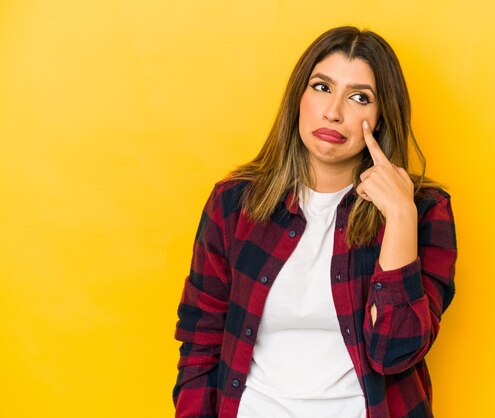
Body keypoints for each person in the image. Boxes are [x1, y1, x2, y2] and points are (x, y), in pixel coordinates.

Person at [173, 26, 457, 418]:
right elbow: (200, 341)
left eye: (359, 97)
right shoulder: (234, 203)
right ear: (299, 97)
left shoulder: (424, 212)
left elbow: (395, 353)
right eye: (322, 87)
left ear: (381, 117)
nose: (333, 111)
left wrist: (401, 217)